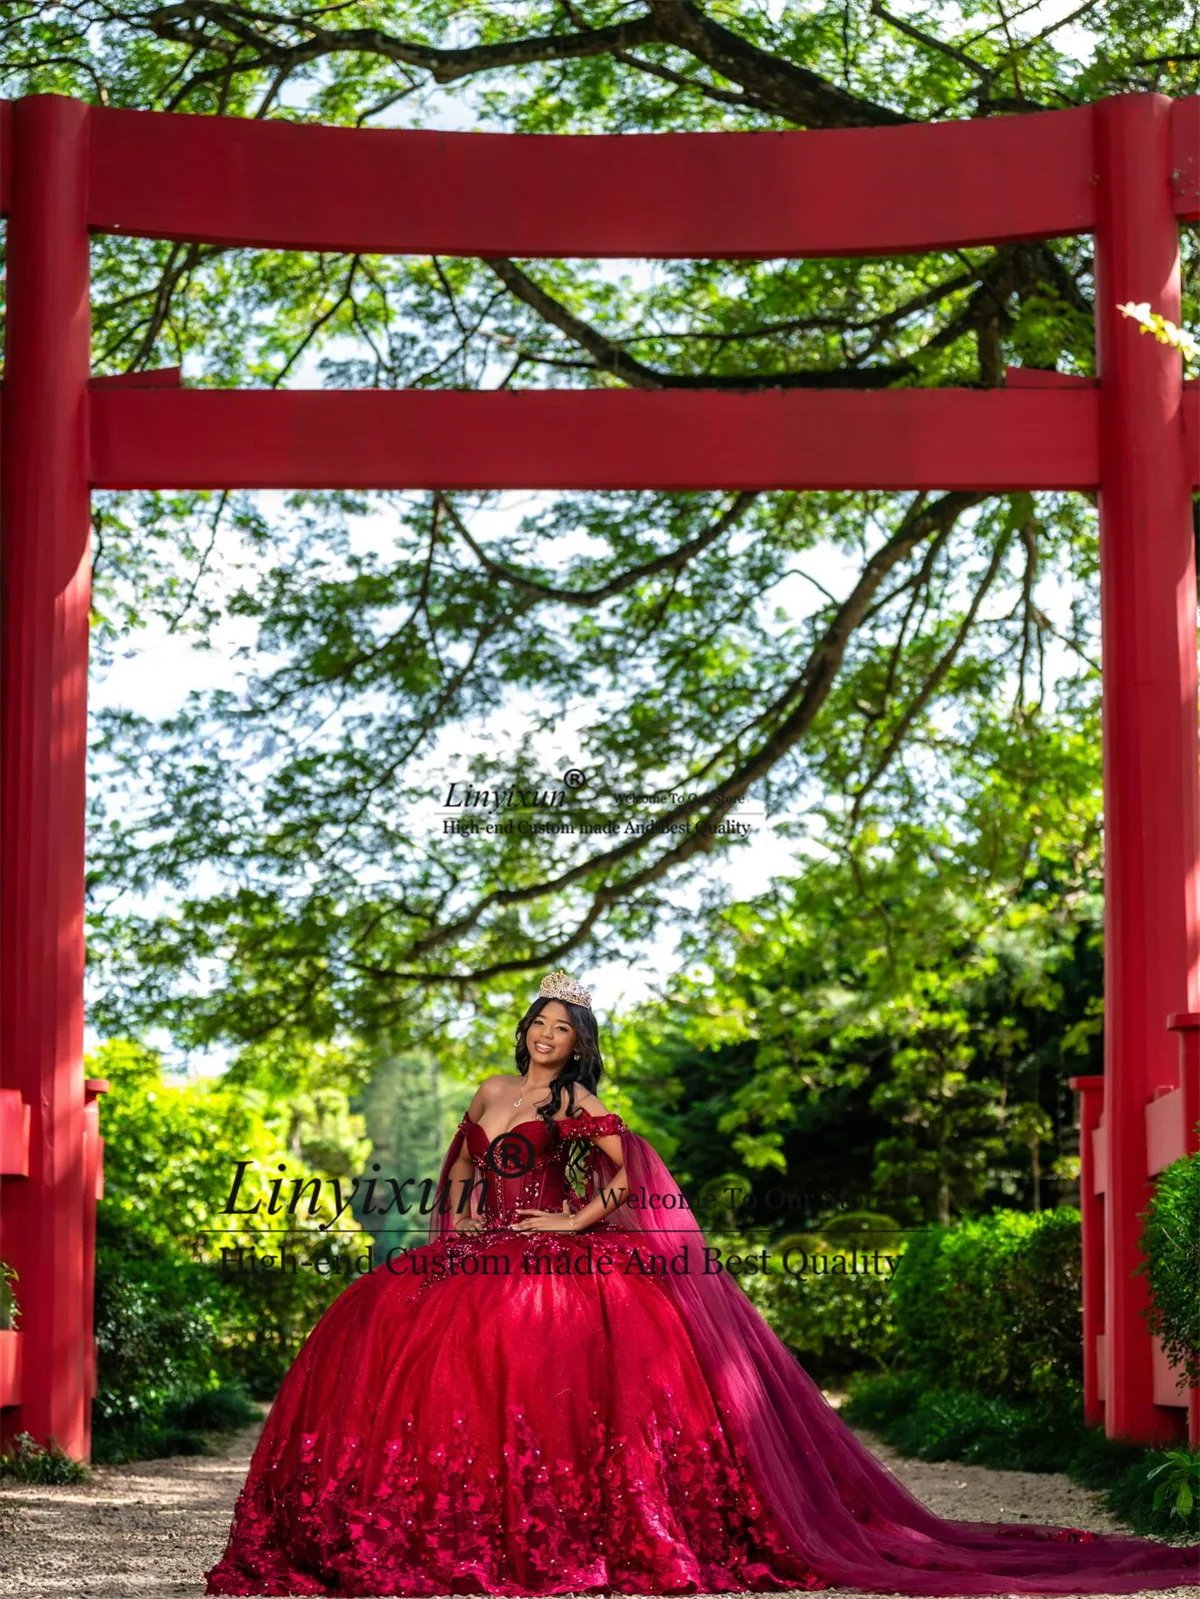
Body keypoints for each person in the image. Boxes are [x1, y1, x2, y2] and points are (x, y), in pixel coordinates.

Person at [205, 971, 1199, 1597]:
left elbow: (616, 1185)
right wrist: (465, 1207)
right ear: (524, 1030)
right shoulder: (491, 1091)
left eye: (563, 1024)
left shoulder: (579, 1101)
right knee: (379, 1312)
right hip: (481, 1240)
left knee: (533, 1337)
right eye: (538, 1022)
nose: (547, 1033)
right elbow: (464, 1165)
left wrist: (563, 1219)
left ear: (578, 1040)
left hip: (552, 1244)